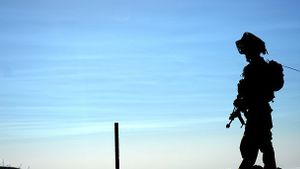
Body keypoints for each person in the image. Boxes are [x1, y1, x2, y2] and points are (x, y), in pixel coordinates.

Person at [232, 32, 283, 169]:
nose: (244, 53)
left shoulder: (253, 69)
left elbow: (254, 93)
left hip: (258, 113)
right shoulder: (259, 67)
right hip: (260, 113)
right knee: (263, 145)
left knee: (253, 149)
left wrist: (242, 101)